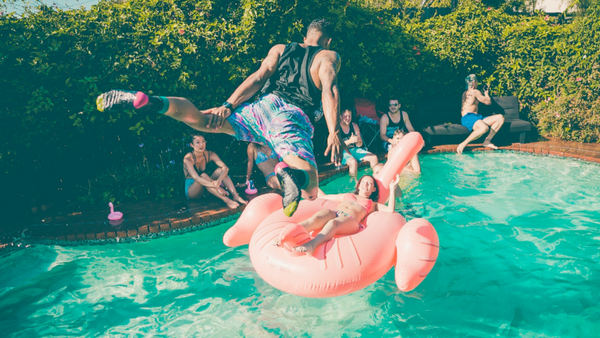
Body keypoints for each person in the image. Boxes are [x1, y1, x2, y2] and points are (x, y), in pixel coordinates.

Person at [95, 19, 346, 217]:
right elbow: (329, 88)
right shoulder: (328, 55)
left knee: (201, 121)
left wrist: (228, 105)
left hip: (259, 109)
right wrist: (334, 130)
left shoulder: (281, 48)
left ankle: (151, 101)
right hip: (290, 116)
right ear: (329, 40)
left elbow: (258, 78)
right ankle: (288, 174)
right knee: (311, 187)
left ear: (305, 36)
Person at [275, 174, 401, 256]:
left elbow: (390, 210)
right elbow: (323, 196)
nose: (365, 185)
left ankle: (312, 245)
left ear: (374, 189)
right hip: (335, 212)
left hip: (350, 221)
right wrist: (309, 182)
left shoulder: (372, 204)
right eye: (363, 182)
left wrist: (392, 189)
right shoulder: (346, 195)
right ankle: (289, 234)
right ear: (359, 185)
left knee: (333, 223)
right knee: (317, 218)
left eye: (369, 183)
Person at [183, 134, 247, 209]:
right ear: (191, 145)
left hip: (207, 188)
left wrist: (219, 181)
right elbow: (197, 178)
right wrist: (218, 187)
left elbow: (225, 168)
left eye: (203, 141)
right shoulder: (188, 159)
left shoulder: (210, 154)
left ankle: (236, 196)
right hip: (193, 191)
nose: (201, 144)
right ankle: (227, 200)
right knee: (203, 175)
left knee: (220, 171)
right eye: (198, 142)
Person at [457, 74, 505, 154]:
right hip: (468, 118)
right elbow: (488, 102)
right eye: (477, 82)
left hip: (476, 117)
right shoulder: (475, 92)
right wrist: (486, 93)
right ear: (474, 82)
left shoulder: (465, 93)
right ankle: (463, 144)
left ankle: (487, 141)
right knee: (484, 128)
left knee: (500, 118)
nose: (477, 83)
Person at [339, 107, 383, 178]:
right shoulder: (337, 128)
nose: (348, 118)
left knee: (374, 157)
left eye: (349, 116)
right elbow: (336, 146)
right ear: (340, 117)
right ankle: (354, 184)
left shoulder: (354, 126)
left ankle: (376, 178)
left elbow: (360, 144)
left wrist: (357, 141)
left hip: (354, 149)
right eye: (345, 116)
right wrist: (349, 141)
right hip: (342, 151)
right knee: (353, 162)